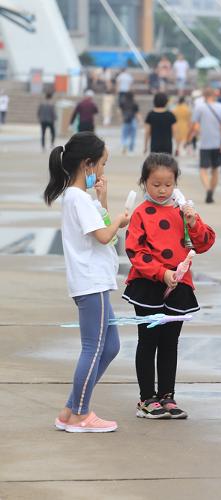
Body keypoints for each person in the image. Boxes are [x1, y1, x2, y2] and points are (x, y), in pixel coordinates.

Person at [43, 132, 130, 432]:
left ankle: (71, 408)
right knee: (94, 347)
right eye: (103, 164)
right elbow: (106, 236)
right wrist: (119, 219)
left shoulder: (79, 198)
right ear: (88, 164)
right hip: (90, 283)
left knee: (110, 346)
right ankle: (80, 413)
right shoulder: (77, 198)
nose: (104, 171)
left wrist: (103, 200)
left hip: (95, 283)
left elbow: (104, 232)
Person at [123, 153, 215, 419]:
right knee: (148, 340)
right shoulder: (141, 213)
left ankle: (167, 396)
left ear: (176, 183)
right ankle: (146, 399)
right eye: (156, 184)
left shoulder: (182, 212)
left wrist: (193, 222)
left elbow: (205, 243)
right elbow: (135, 251)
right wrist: (161, 273)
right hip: (149, 285)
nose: (162, 190)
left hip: (179, 286)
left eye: (168, 184)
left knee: (170, 342)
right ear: (144, 183)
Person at [188, 88, 221, 204]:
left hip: (205, 143)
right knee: (215, 169)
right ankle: (212, 191)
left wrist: (190, 137)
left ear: (204, 96)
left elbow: (193, 124)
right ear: (214, 95)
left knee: (203, 169)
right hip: (218, 143)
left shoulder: (199, 108)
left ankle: (208, 189)